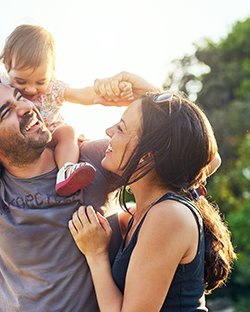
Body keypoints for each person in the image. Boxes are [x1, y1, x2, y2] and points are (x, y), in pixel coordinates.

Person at [0, 60, 162, 312]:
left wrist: (152, 95)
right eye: (6, 112)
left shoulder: (94, 160)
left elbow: (193, 158)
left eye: (20, 97)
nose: (26, 107)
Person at [69, 75, 236, 312]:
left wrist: (96, 255)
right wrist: (156, 99)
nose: (108, 131)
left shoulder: (168, 215)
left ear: (148, 155)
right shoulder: (142, 214)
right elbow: (203, 155)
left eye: (121, 128)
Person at [0, 25, 133, 212]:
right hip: (18, 140)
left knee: (68, 132)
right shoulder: (1, 86)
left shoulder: (53, 88)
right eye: (21, 81)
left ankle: (67, 169)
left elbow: (80, 94)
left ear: (51, 72)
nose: (31, 89)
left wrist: (106, 93)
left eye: (40, 81)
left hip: (49, 132)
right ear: (7, 66)